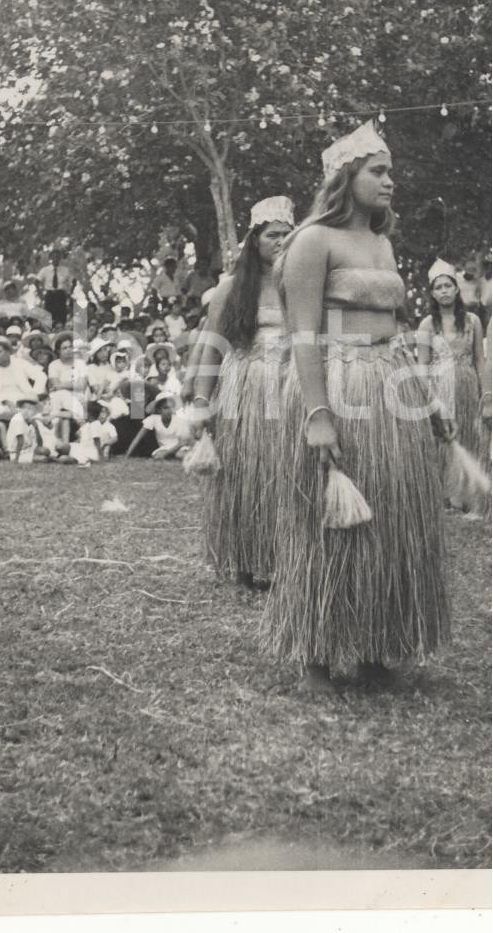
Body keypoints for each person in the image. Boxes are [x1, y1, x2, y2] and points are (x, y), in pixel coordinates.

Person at [265, 120, 449, 693]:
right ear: (348, 178)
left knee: (389, 519)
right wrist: (318, 415)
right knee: (327, 528)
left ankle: (374, 646)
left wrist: (425, 393)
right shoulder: (313, 242)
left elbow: (394, 330)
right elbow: (302, 335)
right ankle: (316, 655)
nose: (390, 181)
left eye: (390, 171)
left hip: (390, 387)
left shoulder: (383, 243)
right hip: (337, 386)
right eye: (379, 171)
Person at [188, 196, 295, 589]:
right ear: (255, 240)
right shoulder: (231, 287)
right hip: (244, 387)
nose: (280, 241)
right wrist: (202, 401)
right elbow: (213, 346)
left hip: (286, 387)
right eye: (272, 235)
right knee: (243, 474)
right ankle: (243, 561)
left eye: (287, 234)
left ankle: (283, 557)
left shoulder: (298, 283)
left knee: (283, 473)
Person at [417, 259, 487, 514]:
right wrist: (429, 398)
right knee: (444, 439)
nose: (444, 291)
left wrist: (486, 394)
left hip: (467, 385)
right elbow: (422, 364)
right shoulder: (427, 324)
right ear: (433, 293)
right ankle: (445, 495)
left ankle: (469, 495)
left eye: (448, 285)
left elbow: (480, 360)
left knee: (469, 435)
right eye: (439, 287)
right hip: (439, 387)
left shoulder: (472, 321)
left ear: (457, 289)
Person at [126, 392, 192, 460]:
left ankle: (171, 456)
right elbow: (138, 437)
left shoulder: (178, 420)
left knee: (180, 455)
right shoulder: (153, 418)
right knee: (157, 456)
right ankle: (169, 456)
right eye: (165, 408)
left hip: (179, 447)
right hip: (164, 448)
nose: (169, 411)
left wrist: (166, 454)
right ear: (159, 410)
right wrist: (128, 454)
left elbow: (182, 442)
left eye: (171, 407)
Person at [6, 398, 51, 463]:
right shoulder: (17, 419)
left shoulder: (31, 421)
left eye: (30, 409)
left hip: (28, 450)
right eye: (23, 408)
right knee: (43, 459)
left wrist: (36, 427)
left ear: (34, 412)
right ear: (20, 409)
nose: (26, 411)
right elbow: (20, 440)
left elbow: (40, 444)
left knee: (46, 451)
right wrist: (16, 459)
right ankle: (54, 459)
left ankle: (52, 458)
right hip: (16, 453)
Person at [38, 249, 71, 328]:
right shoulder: (45, 270)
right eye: (54, 257)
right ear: (50, 258)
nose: (56, 259)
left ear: (60, 258)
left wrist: (69, 293)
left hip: (61, 295)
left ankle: (61, 331)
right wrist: (40, 294)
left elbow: (73, 282)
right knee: (49, 317)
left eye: (57, 257)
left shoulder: (65, 270)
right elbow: (36, 281)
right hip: (50, 295)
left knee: (61, 317)